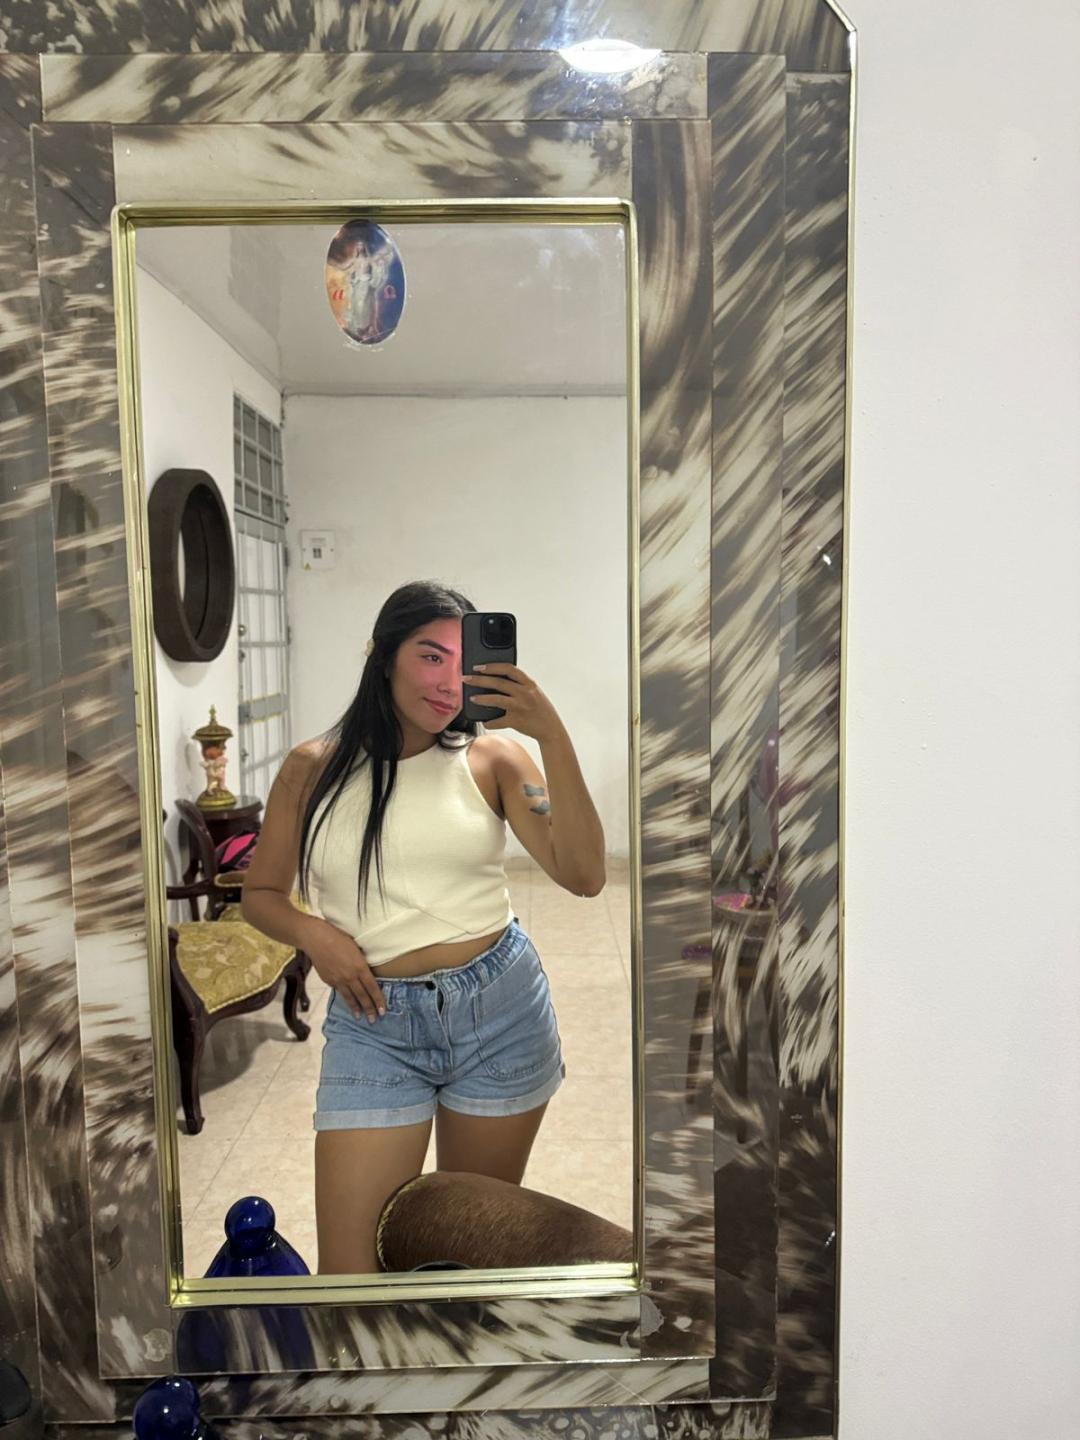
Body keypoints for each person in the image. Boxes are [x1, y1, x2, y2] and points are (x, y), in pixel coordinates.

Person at [241, 580, 606, 1273]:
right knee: (352, 1275)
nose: (447, 684)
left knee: (462, 1255)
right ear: (384, 656)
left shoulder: (495, 760)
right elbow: (260, 894)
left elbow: (584, 875)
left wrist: (550, 732)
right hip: (374, 1022)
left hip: (499, 1012)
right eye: (430, 656)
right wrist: (317, 936)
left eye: (463, 665)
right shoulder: (310, 770)